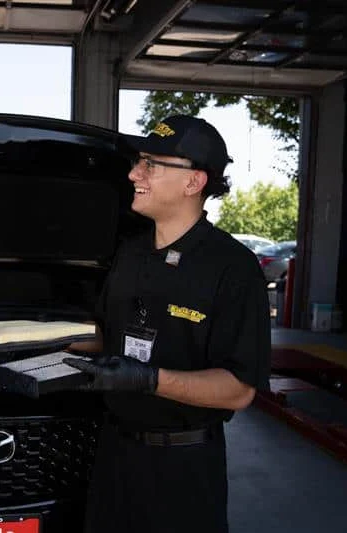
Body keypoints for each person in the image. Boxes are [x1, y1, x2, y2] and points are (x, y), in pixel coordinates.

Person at [64, 115, 271, 533]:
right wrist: (40, 340)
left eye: (149, 165)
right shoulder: (130, 252)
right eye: (138, 162)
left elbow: (239, 390)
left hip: (184, 470)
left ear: (193, 182)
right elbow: (107, 333)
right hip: (114, 458)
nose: (133, 174)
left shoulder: (233, 268)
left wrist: (147, 379)